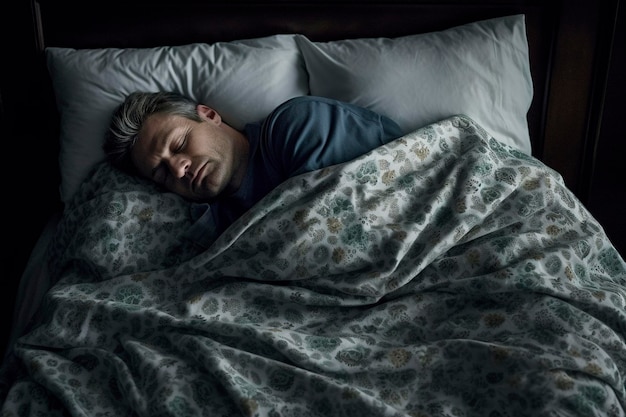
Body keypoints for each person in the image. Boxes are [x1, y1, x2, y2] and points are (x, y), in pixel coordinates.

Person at [104, 92, 403, 248]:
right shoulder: (213, 225)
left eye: (180, 143)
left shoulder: (293, 125)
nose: (179, 169)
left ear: (209, 115)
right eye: (163, 174)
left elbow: (345, 219)